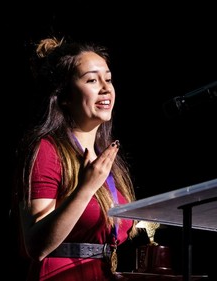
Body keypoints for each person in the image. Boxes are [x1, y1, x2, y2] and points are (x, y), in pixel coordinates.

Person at [11, 36, 138, 281]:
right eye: (92, 80)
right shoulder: (46, 150)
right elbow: (36, 246)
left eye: (108, 79)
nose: (105, 88)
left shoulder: (108, 158)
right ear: (65, 96)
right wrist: (85, 189)